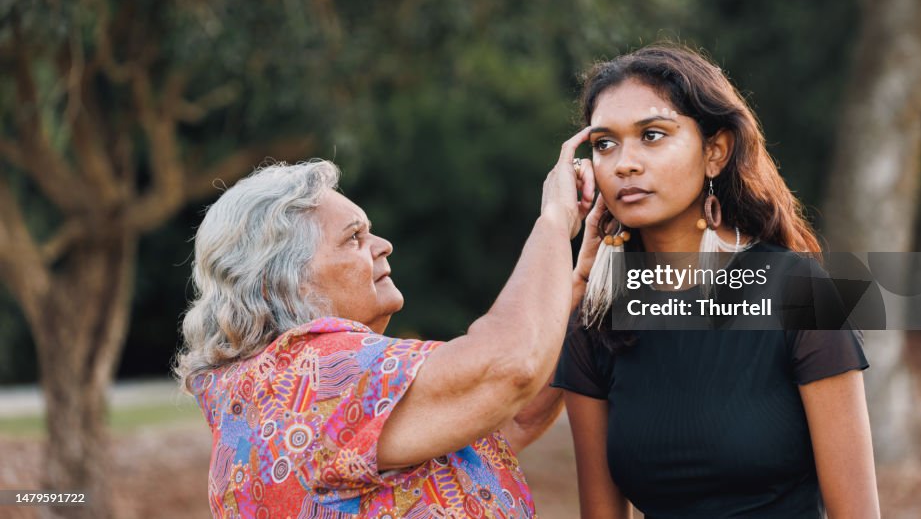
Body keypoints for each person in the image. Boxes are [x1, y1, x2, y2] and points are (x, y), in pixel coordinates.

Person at [174, 127, 594, 519]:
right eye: (354, 237)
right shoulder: (311, 378)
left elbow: (507, 417)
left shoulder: (269, 393)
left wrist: (574, 293)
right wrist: (555, 220)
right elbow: (508, 369)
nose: (382, 245)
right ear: (285, 279)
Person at [554, 44, 881, 518]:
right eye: (605, 144)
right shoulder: (597, 320)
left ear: (715, 151)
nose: (624, 163)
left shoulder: (801, 293)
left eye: (651, 135)